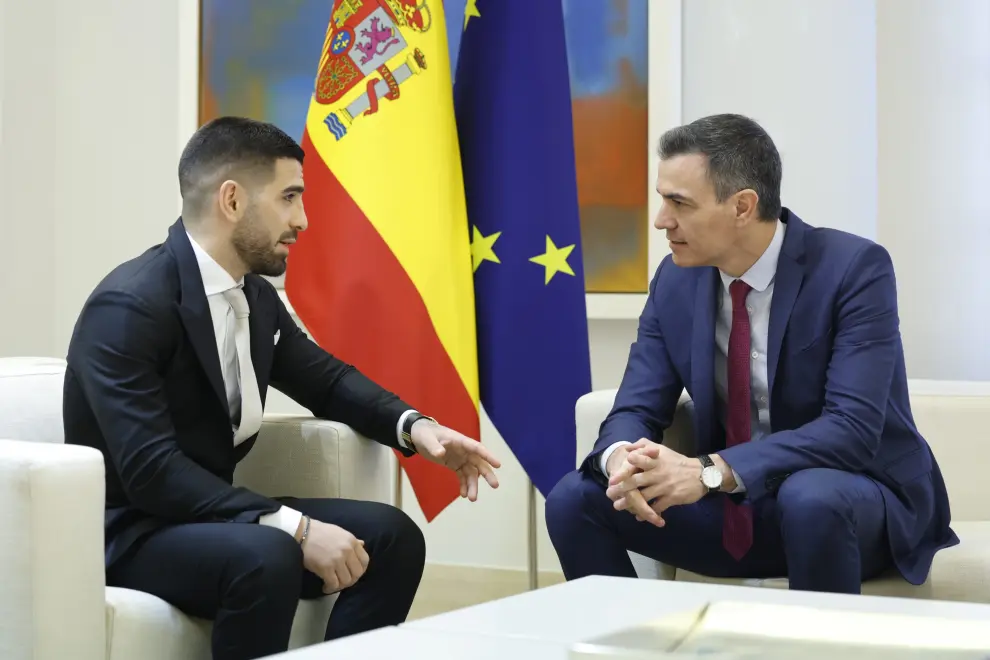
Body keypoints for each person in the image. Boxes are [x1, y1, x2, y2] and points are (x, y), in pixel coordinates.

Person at [63, 116, 501, 659]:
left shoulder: (254, 297)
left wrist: (417, 427)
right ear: (232, 201)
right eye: (289, 197)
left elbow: (329, 380)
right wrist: (293, 527)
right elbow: (152, 472)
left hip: (210, 517)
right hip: (131, 533)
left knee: (392, 537)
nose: (303, 219)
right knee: (268, 553)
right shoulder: (129, 306)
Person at [545, 113, 957, 594]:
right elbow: (637, 405)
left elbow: (852, 429)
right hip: (738, 507)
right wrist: (623, 462)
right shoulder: (675, 280)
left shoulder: (853, 269)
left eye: (679, 202)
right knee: (574, 498)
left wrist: (711, 471)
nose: (661, 220)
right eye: (663, 199)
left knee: (811, 497)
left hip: (855, 502)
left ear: (742, 206)